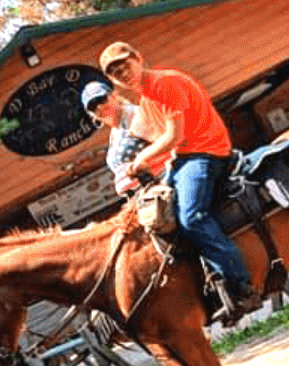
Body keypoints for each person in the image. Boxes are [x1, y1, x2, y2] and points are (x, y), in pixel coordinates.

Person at [81, 80, 229, 366]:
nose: (99, 109)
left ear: (113, 95)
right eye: (92, 108)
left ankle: (217, 280)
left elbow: (170, 143)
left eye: (101, 100)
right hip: (140, 203)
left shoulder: (137, 117)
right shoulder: (114, 134)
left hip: (164, 191)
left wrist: (144, 169)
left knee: (187, 231)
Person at [99, 41, 262, 323]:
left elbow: (174, 136)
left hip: (207, 151)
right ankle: (210, 281)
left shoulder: (165, 84)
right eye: (114, 71)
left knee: (191, 218)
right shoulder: (145, 98)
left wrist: (141, 161)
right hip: (185, 156)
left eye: (125, 63)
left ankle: (242, 285)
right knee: (160, 214)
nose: (122, 72)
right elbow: (154, 137)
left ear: (139, 57)